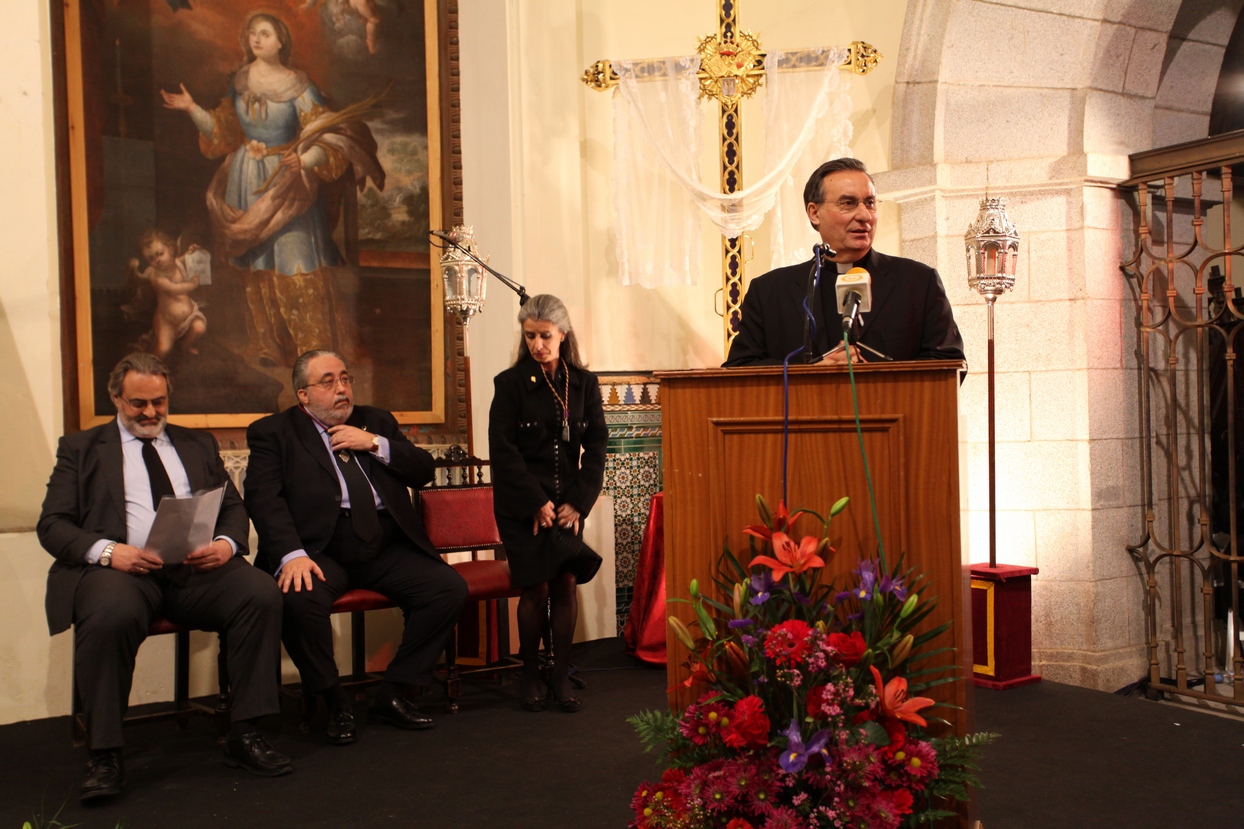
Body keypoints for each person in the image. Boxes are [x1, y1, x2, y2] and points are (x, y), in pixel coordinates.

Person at [37, 353, 290, 803]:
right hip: (122, 572)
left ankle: (246, 732)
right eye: (138, 403)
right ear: (116, 398)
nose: (150, 413)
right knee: (110, 615)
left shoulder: (196, 444)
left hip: (193, 568)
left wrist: (227, 545)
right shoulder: (80, 449)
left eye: (159, 402)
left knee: (259, 593)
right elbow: (53, 524)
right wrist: (111, 552)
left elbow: (231, 505)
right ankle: (105, 755)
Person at [244, 350, 467, 744]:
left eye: (345, 379)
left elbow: (422, 472)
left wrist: (375, 443)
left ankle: (395, 693)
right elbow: (264, 499)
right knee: (299, 597)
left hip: (383, 544)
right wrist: (291, 555)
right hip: (320, 549)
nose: (341, 389)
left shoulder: (375, 421)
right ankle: (334, 701)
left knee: (447, 588)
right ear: (303, 395)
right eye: (327, 382)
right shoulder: (274, 433)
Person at [161, 12, 384, 367]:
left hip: (288, 181)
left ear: (281, 41)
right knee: (259, 269)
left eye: (264, 33)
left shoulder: (298, 84)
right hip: (245, 181)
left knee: (296, 263)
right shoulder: (241, 80)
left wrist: (306, 160)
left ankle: (314, 354)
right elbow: (224, 131)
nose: (256, 38)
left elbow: (324, 131)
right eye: (251, 33)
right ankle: (270, 347)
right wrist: (191, 109)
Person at [724, 157, 965, 367]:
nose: (864, 215)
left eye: (870, 203)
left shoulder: (918, 283)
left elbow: (949, 363)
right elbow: (740, 370)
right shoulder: (769, 293)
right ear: (814, 213)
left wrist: (875, 374)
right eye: (848, 203)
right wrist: (812, 374)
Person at [488, 295, 607, 713]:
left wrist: (578, 503)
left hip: (567, 505)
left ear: (563, 334)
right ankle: (528, 676)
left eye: (545, 335)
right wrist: (535, 502)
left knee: (565, 583)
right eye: (530, 336)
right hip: (522, 506)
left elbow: (596, 447)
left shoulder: (584, 383)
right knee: (535, 588)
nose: (538, 344)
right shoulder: (510, 383)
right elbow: (503, 453)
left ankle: (560, 677)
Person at [127, 228, 208, 359]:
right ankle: (148, 365)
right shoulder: (157, 277)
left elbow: (183, 259)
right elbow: (174, 289)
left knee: (200, 328)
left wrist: (190, 252)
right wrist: (192, 284)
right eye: (151, 258)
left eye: (160, 254)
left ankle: (185, 347)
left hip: (188, 316)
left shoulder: (176, 262)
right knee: (164, 349)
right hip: (167, 321)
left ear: (170, 250)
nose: (157, 260)